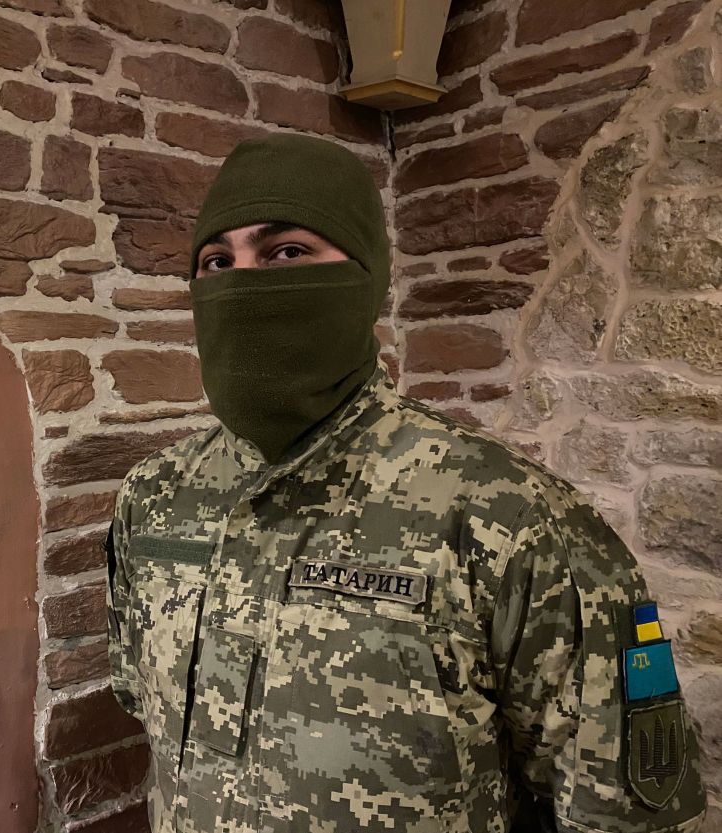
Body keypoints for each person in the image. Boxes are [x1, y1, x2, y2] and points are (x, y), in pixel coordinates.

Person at [104, 133, 705, 833]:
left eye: (286, 253)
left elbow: (630, 815)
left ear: (366, 279)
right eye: (216, 262)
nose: (242, 283)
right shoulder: (153, 499)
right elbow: (140, 702)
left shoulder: (506, 513)